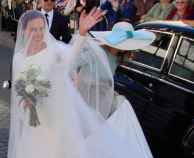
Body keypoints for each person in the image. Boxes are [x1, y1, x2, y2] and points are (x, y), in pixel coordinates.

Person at [8, 8, 155, 158]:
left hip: (58, 114)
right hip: (36, 116)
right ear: (24, 30)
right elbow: (20, 83)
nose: (38, 33)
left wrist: (82, 32)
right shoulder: (19, 57)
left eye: (41, 28)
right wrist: (27, 97)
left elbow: (70, 57)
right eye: (34, 29)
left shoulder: (54, 50)